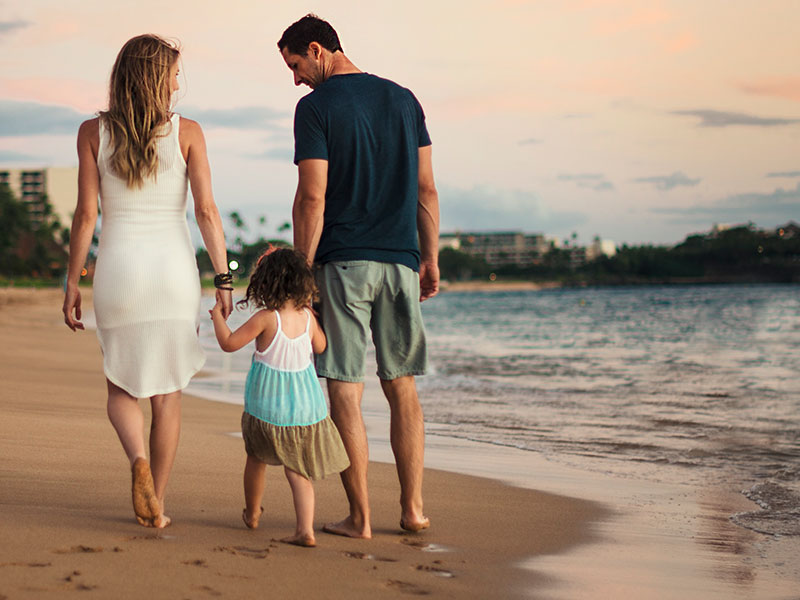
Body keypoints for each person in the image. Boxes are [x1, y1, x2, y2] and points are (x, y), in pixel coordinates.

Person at [277, 14, 440, 539]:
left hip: (344, 263)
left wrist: (302, 272)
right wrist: (430, 258)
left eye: (296, 64)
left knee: (345, 388)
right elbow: (427, 191)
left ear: (318, 50)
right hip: (400, 261)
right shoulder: (404, 100)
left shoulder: (316, 108)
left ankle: (361, 518)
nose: (296, 78)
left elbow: (312, 197)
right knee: (403, 386)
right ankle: (413, 510)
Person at [62, 34, 233, 529]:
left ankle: (135, 458)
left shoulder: (92, 132)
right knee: (168, 396)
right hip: (173, 275)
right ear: (157, 77)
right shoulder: (189, 132)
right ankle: (155, 500)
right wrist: (224, 278)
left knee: (121, 385)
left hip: (118, 273)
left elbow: (85, 216)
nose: (179, 82)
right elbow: (206, 211)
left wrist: (73, 281)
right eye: (175, 73)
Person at [209, 247, 349, 547]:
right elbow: (322, 347)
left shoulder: (266, 318)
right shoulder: (308, 319)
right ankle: (305, 530)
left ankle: (252, 513)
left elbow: (229, 343)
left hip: (266, 409)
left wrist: (217, 318)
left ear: (265, 283)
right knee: (298, 472)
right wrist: (313, 316)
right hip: (304, 409)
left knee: (256, 458)